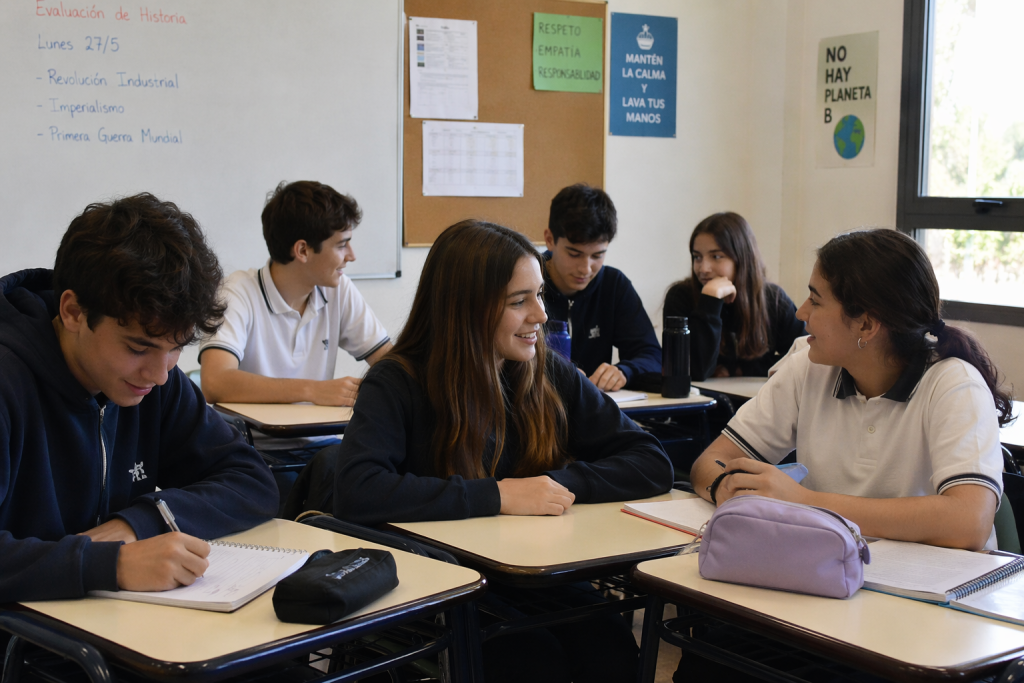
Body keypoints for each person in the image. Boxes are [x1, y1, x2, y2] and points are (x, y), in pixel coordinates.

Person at [332, 220, 673, 683]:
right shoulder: (397, 381)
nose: (540, 315)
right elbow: (358, 490)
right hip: (438, 582)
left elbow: (651, 461)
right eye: (519, 301)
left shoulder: (546, 371)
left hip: (527, 573)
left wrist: (553, 486)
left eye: (539, 295)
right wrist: (498, 495)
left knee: (608, 643)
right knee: (531, 659)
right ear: (465, 308)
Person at [0, 194, 278, 603]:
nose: (160, 374)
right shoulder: (9, 381)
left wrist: (139, 523)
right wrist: (109, 564)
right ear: (73, 312)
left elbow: (252, 480)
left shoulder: (155, 381)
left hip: (107, 623)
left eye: (176, 347)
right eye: (137, 348)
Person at [691, 228, 1011, 551]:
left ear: (866, 325)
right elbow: (711, 461)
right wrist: (726, 488)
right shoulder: (808, 367)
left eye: (816, 301)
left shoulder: (955, 385)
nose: (801, 312)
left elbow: (969, 522)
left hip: (938, 580)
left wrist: (804, 501)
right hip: (831, 568)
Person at [199, 181, 391, 508]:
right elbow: (215, 382)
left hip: (322, 447)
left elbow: (391, 363)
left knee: (377, 482)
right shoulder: (237, 292)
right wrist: (312, 390)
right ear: (302, 251)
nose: (352, 256)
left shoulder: (338, 289)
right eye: (342, 244)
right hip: (255, 452)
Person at [541, 184, 661, 392]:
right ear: (550, 240)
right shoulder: (525, 284)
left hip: (594, 406)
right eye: (574, 254)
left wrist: (625, 371)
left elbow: (652, 355)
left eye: (597, 255)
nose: (586, 269)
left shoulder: (614, 286)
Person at [664, 212, 805, 381]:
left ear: (742, 258)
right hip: (701, 397)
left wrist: (741, 369)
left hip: (756, 395)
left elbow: (804, 355)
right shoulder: (680, 296)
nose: (703, 268)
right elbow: (695, 370)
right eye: (697, 257)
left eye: (716, 256)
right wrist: (710, 301)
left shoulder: (773, 299)